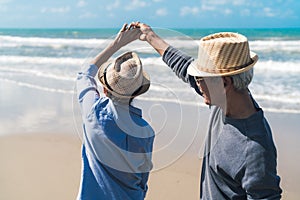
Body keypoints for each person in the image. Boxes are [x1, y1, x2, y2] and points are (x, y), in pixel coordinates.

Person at [133, 22, 282, 199]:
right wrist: (150, 36)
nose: (196, 82)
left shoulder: (254, 149)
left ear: (224, 83)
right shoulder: (224, 100)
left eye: (200, 78)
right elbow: (183, 65)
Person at [76, 23, 155, 200]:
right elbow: (143, 180)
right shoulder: (146, 132)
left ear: (105, 89)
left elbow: (84, 74)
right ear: (137, 92)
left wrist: (118, 43)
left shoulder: (93, 113)